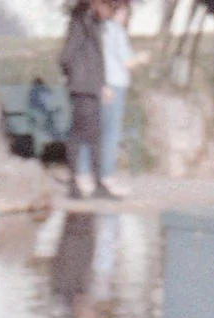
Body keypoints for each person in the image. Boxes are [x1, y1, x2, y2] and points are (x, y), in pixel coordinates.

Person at [59, 0, 107, 200]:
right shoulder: (80, 22)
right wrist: (77, 78)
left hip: (91, 87)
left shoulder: (92, 22)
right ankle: (75, 185)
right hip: (83, 88)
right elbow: (66, 56)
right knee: (79, 136)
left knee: (93, 136)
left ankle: (97, 183)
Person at [97, 0, 133, 198]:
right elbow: (126, 61)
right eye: (124, 13)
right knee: (112, 131)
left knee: (104, 129)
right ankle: (107, 174)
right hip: (116, 84)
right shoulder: (117, 32)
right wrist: (142, 58)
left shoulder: (101, 30)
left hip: (104, 84)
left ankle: (99, 172)